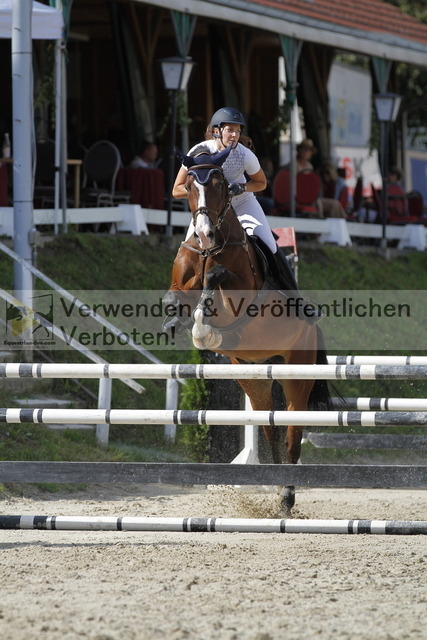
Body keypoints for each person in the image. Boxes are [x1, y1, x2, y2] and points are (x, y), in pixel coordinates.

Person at [172, 107, 321, 323]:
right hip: (211, 208)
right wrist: (201, 191)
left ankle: (297, 302)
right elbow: (176, 189)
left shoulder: (244, 154)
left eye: (238, 130)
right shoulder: (199, 152)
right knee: (188, 249)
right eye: (230, 130)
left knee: (269, 244)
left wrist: (241, 187)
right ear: (217, 131)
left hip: (242, 203)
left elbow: (261, 183)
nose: (235, 135)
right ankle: (179, 307)